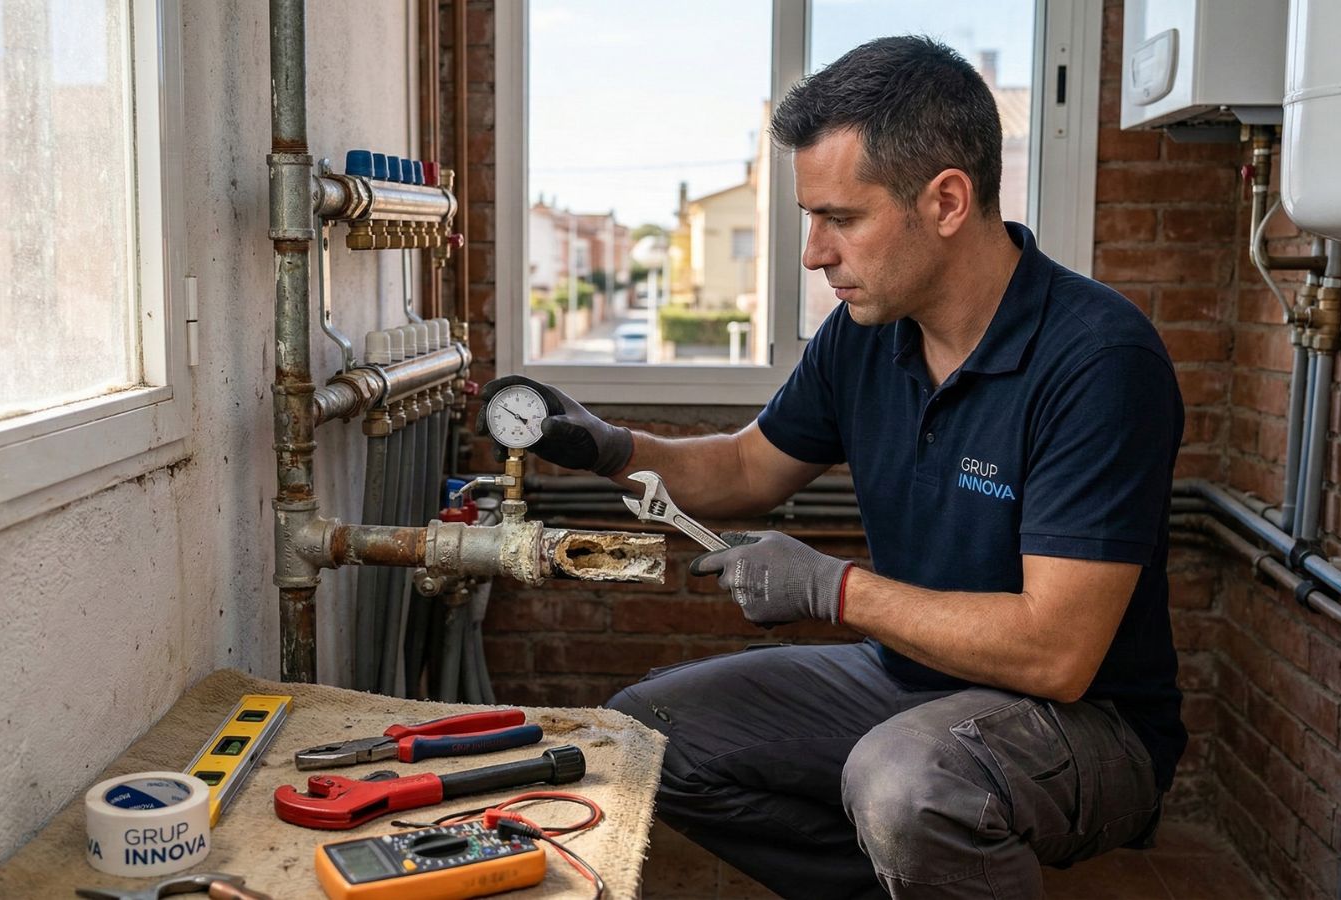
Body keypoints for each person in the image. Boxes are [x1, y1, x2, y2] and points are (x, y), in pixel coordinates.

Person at [478, 35, 1184, 900]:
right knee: (648, 731)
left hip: (1087, 724)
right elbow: (744, 469)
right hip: (908, 679)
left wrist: (832, 590)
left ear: (948, 201)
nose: (814, 253)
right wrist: (611, 448)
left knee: (906, 783)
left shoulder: (1097, 358)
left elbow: (1056, 653)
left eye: (840, 219)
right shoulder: (864, 337)